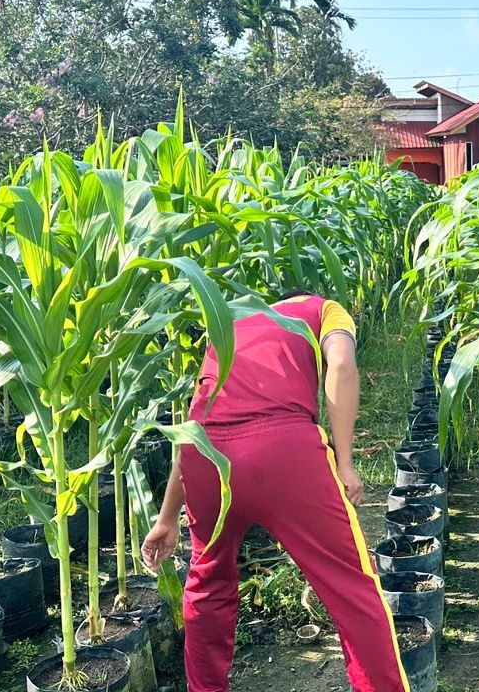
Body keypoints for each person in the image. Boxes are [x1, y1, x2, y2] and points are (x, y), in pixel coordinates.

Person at [142, 291, 410, 692]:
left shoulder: (227, 318)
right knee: (352, 589)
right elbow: (340, 363)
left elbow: (193, 425)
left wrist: (167, 519)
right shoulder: (323, 308)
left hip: (205, 455)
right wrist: (344, 461)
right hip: (282, 450)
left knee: (208, 583)